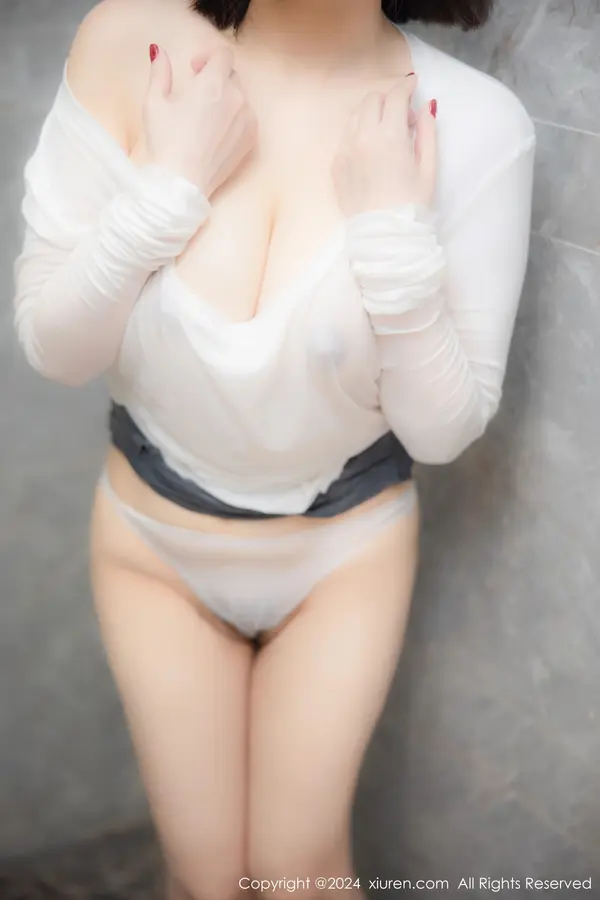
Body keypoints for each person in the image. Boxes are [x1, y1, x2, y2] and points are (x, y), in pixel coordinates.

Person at [12, 0, 536, 896]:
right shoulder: (130, 41)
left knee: (300, 874)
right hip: (154, 550)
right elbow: (54, 347)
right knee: (206, 878)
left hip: (343, 560)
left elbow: (442, 431)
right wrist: (169, 187)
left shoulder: (476, 121)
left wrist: (391, 232)